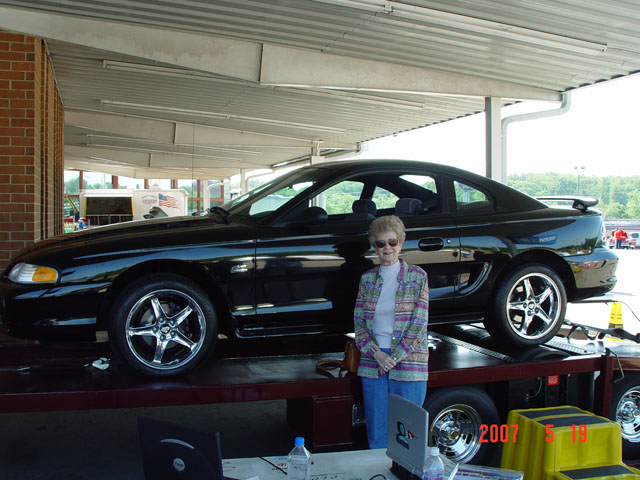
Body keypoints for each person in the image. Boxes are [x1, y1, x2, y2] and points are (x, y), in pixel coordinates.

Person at [353, 215, 429, 449]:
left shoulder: (418, 276)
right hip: (373, 361)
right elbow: (359, 325)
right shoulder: (367, 279)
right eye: (380, 243)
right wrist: (378, 354)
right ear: (374, 247)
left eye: (392, 242)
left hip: (409, 361)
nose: (387, 248)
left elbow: (419, 324)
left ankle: (405, 468)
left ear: (401, 243)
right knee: (377, 430)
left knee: (408, 431)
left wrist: (393, 358)